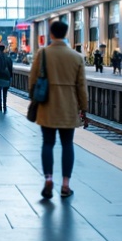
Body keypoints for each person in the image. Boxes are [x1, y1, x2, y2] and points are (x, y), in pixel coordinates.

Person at [27, 20, 88, 200]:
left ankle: (48, 178)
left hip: (47, 106)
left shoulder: (42, 53)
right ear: (66, 33)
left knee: (47, 143)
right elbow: (82, 87)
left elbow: (32, 80)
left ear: (51, 35)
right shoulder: (77, 57)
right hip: (69, 107)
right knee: (67, 144)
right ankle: (65, 185)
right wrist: (83, 108)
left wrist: (34, 99)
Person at [0, 44, 14, 113]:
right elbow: (11, 69)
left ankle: (0, 106)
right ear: (4, 49)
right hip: (6, 77)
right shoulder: (8, 58)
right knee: (5, 92)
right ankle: (5, 105)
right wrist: (10, 77)